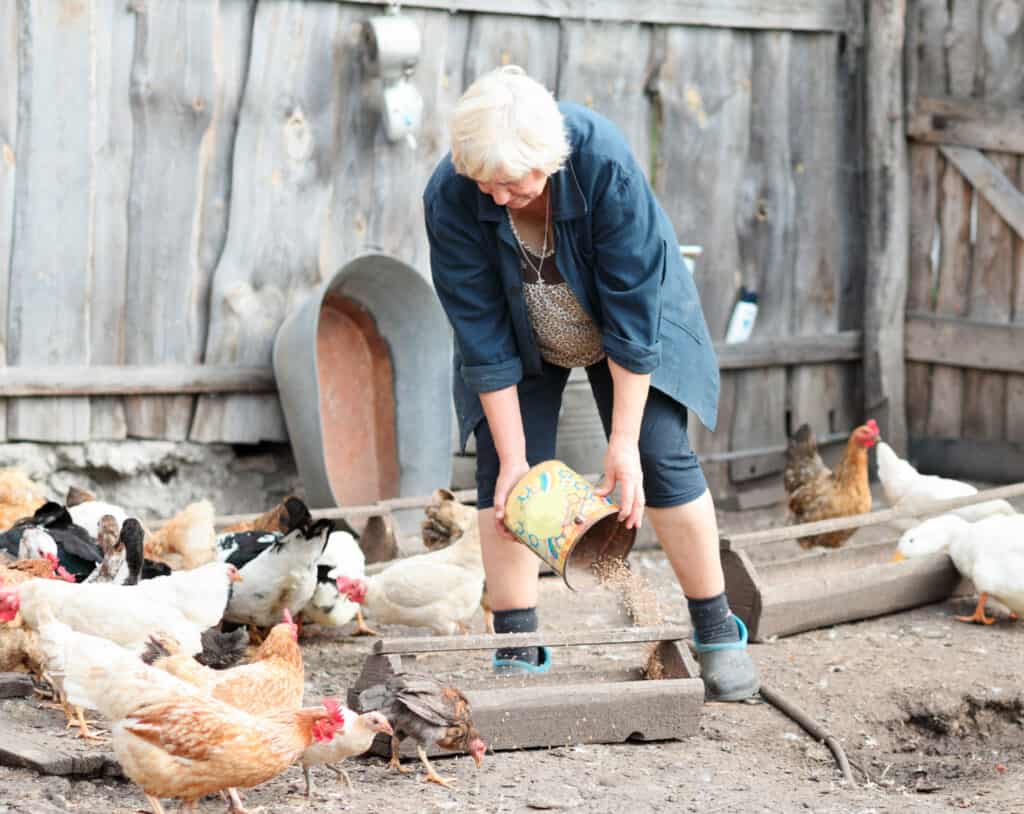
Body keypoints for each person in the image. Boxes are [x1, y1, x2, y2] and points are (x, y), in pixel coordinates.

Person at [423, 66, 759, 701]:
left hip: (622, 324)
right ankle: (516, 650)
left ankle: (717, 630)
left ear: (548, 160)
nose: (497, 197)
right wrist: (518, 459)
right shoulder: (450, 194)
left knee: (660, 459)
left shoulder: (601, 160)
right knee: (505, 472)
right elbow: (481, 335)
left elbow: (634, 315)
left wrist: (623, 442)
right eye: (484, 184)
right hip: (520, 333)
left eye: (513, 183)